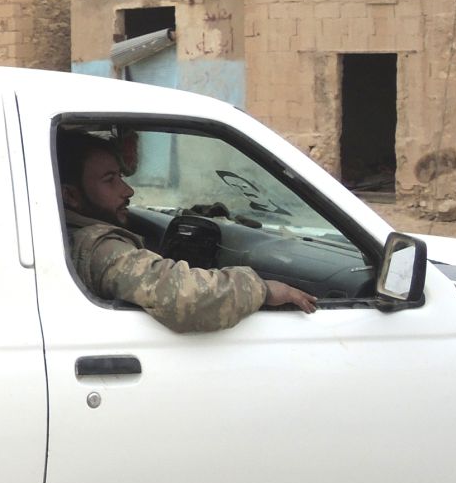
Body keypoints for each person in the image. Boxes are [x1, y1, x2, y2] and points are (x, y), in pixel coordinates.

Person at [58, 130, 318, 333]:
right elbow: (182, 295)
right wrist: (265, 290)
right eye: (109, 180)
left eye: (121, 177)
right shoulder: (98, 247)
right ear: (70, 195)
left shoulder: (64, 229)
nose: (127, 190)